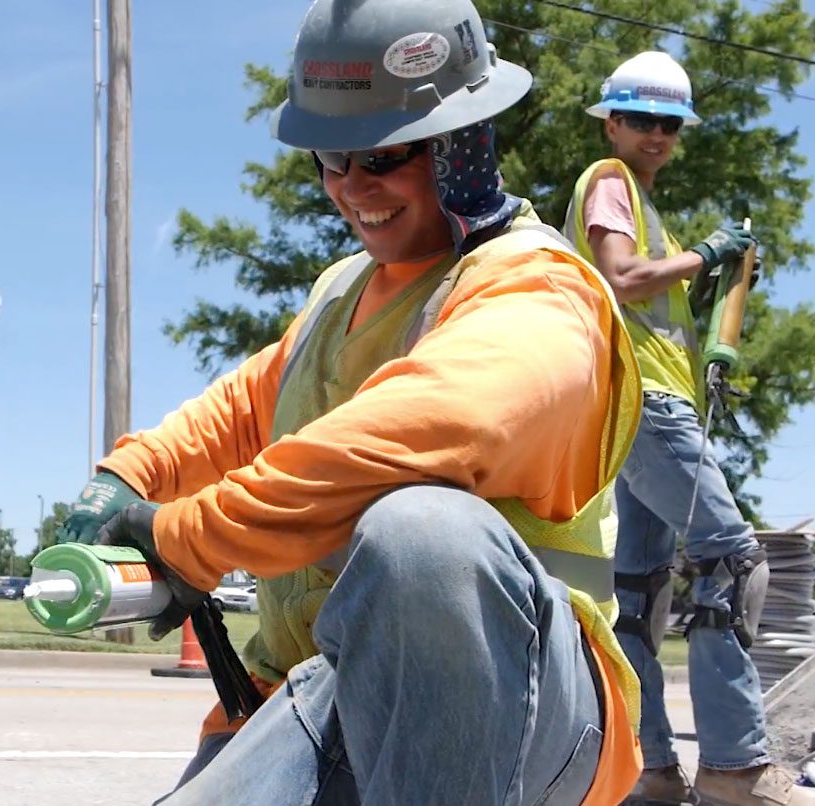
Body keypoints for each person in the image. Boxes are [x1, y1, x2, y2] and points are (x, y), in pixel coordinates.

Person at [58, 0, 649, 802]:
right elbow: (242, 409)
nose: (351, 189)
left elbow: (426, 429)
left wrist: (186, 538)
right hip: (322, 696)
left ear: (464, 143)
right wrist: (129, 478)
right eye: (329, 162)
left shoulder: (539, 291)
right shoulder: (343, 294)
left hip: (525, 717)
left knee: (424, 535)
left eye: (382, 158)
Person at [562, 52, 815, 806]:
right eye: (641, 120)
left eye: (669, 124)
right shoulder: (609, 182)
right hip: (645, 406)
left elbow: (647, 296)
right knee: (730, 566)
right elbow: (623, 277)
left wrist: (708, 284)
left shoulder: (646, 207)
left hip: (634, 408)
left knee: (640, 595)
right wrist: (705, 254)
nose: (656, 134)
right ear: (611, 122)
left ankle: (649, 770)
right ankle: (735, 769)